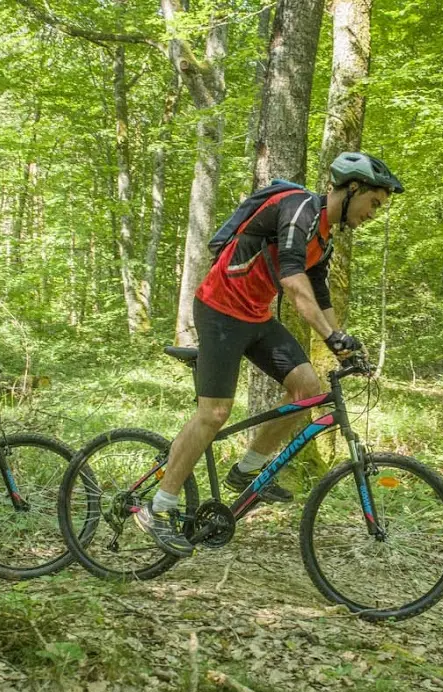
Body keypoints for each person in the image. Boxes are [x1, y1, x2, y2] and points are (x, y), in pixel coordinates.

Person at [135, 152, 404, 557]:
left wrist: (343, 344)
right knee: (214, 413)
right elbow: (295, 287)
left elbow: (319, 291)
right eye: (374, 203)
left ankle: (246, 471)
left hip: (256, 317)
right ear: (352, 190)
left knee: (307, 391)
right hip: (220, 311)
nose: (374, 214)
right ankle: (157, 508)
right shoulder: (299, 213)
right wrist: (330, 337)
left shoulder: (323, 236)